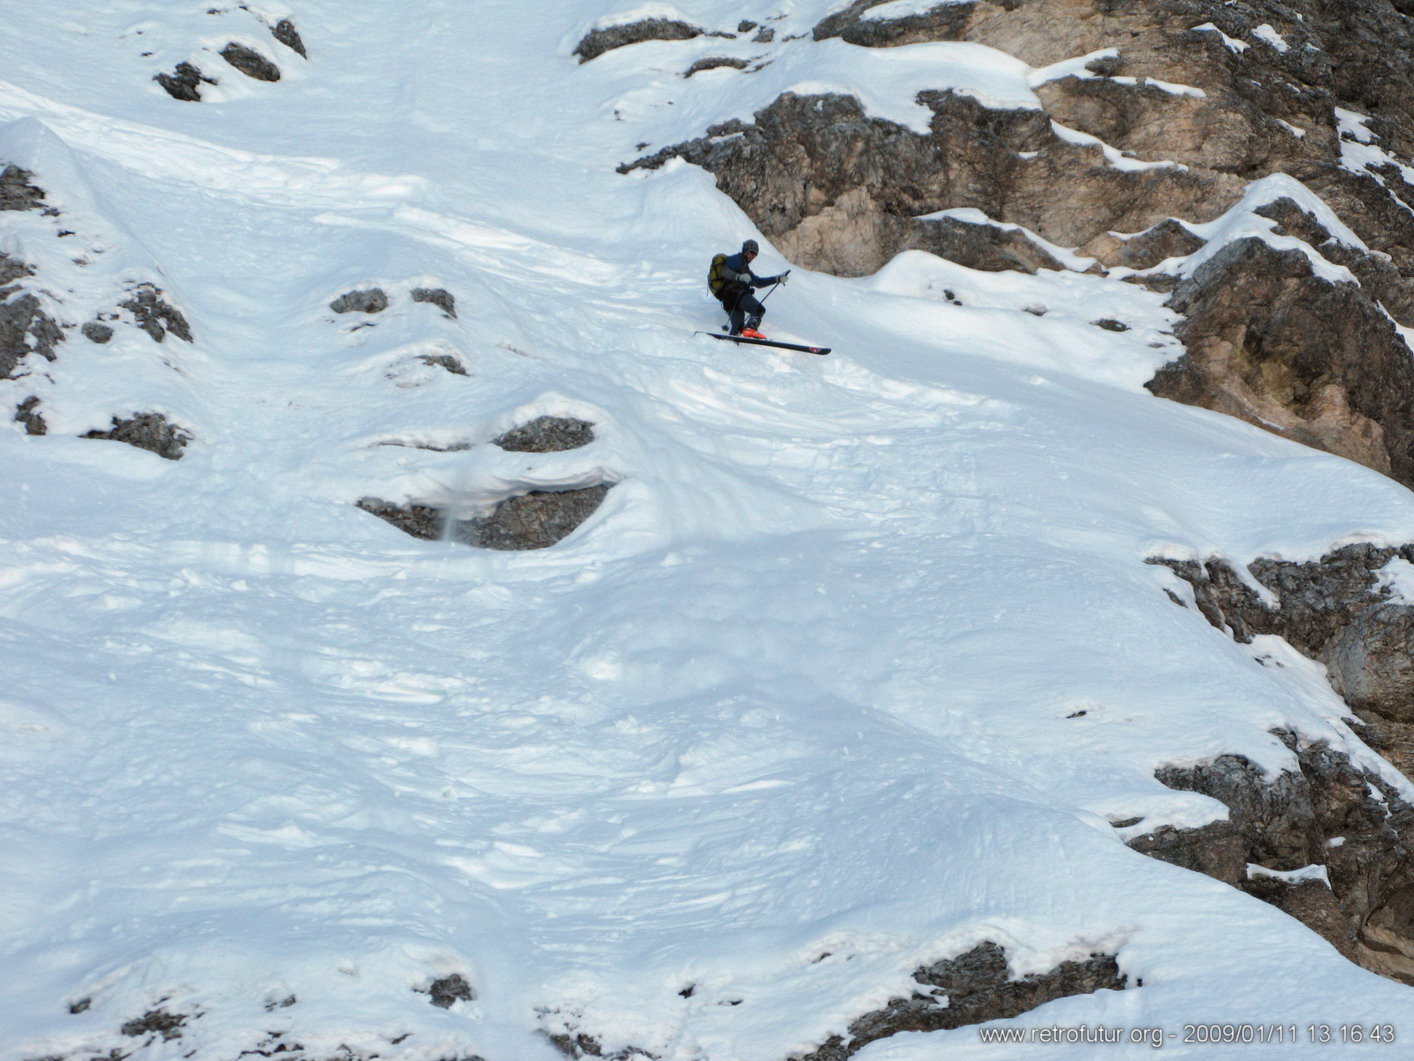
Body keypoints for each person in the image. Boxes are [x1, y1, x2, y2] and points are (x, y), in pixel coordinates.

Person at [713, 239, 789, 338]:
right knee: (758, 309)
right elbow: (724, 271)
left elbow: (758, 282)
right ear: (746, 251)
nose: (753, 256)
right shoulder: (737, 259)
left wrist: (777, 279)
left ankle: (731, 345)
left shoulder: (745, 268)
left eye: (755, 254)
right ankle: (751, 328)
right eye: (752, 252)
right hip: (736, 294)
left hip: (728, 300)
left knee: (738, 327)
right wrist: (738, 277)